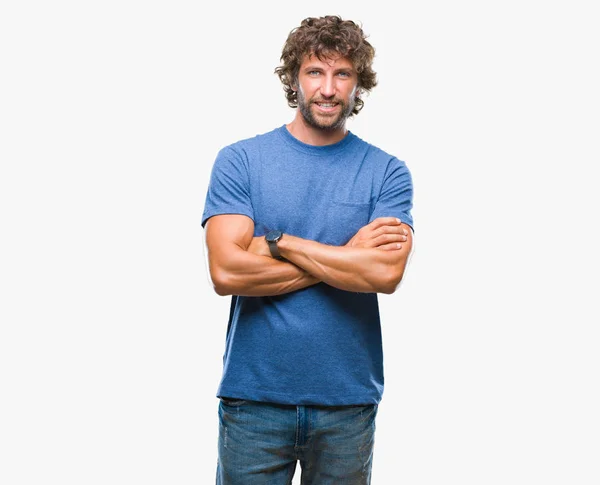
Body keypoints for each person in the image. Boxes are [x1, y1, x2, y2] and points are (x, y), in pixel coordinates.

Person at [201, 15, 414, 484]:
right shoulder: (241, 160)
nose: (328, 88)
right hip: (254, 400)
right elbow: (226, 272)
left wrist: (277, 243)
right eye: (316, 72)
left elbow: (385, 275)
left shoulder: (387, 172)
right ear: (294, 78)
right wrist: (347, 253)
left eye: (343, 74)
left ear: (359, 84)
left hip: (346, 403)